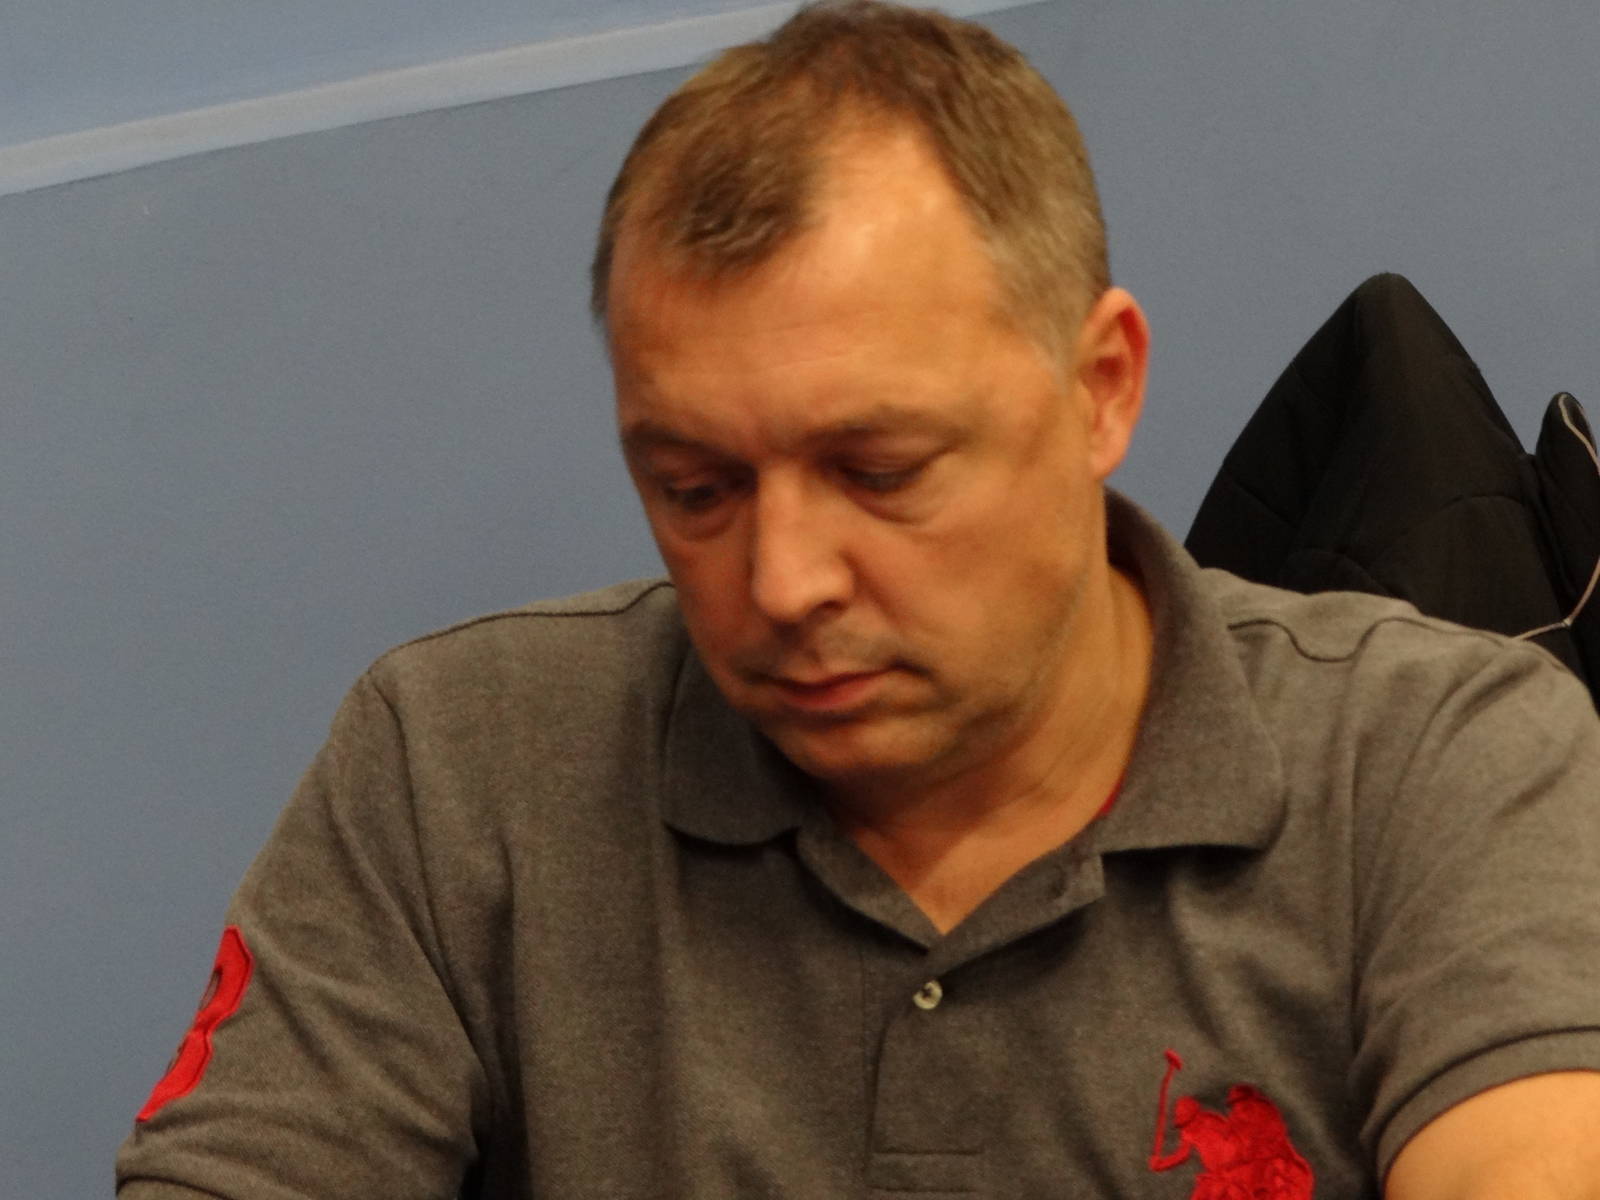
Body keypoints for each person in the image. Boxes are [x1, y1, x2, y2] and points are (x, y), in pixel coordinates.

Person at [117, 2, 1600, 1196]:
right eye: (696, 488)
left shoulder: (1441, 755)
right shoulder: (454, 763)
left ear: (1099, 390)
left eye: (880, 471)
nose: (782, 584)